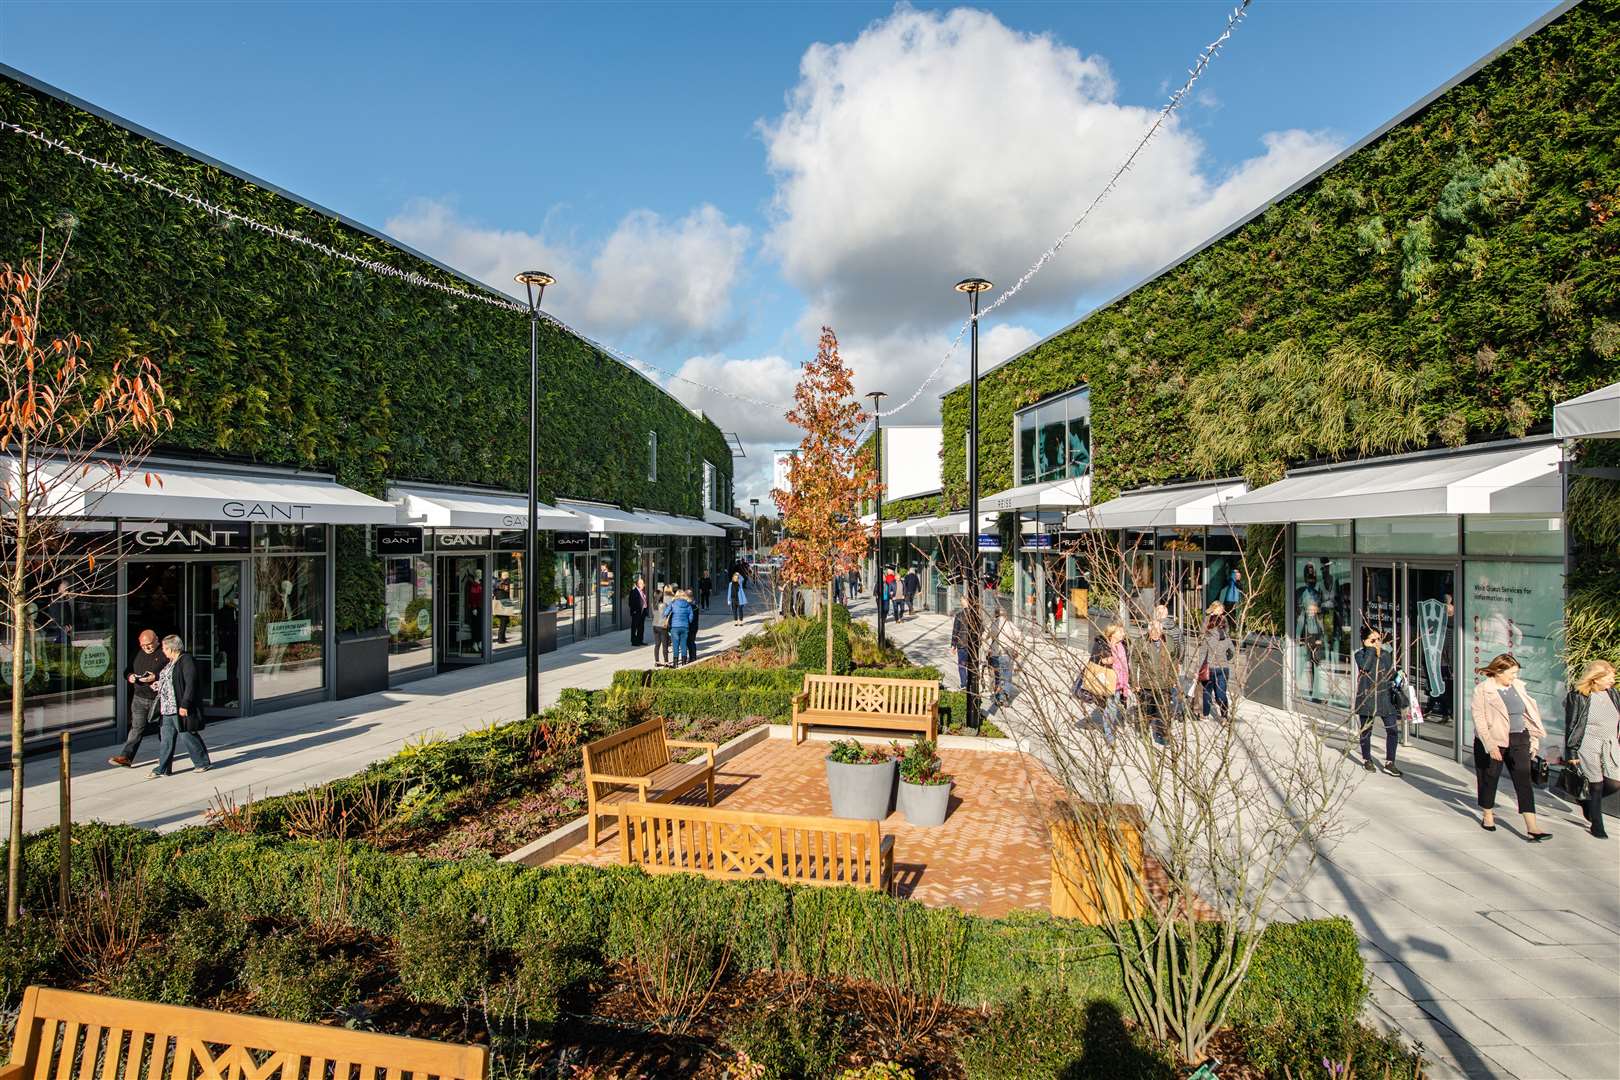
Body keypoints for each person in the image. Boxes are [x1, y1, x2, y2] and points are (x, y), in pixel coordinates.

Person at [1471, 653, 1550, 841]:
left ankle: (1532, 827)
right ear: (1499, 671)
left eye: (1516, 673)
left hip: (1519, 738)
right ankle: (1488, 814)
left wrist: (1534, 739)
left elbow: (1529, 715)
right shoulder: (1483, 690)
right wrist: (1490, 745)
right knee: (1489, 777)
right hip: (1493, 740)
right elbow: (1479, 719)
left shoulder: (1518, 687)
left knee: (1523, 779)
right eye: (1511, 673)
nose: (1514, 676)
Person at [1564, 660, 1620, 839]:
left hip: (1610, 743)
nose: (1613, 680)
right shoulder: (1579, 695)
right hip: (1588, 743)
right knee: (1596, 784)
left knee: (1614, 783)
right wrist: (1571, 752)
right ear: (1596, 678)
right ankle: (1597, 824)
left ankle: (1586, 801)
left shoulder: (1613, 694)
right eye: (1610, 676)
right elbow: (1572, 725)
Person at [151, 634, 212, 777]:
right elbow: (169, 681)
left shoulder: (186, 660)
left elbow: (191, 684)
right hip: (166, 708)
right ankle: (163, 768)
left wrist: (185, 704)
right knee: (166, 738)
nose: (163, 651)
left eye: (165, 648)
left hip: (179, 707)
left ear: (172, 648)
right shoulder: (170, 662)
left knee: (187, 735)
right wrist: (158, 684)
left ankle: (202, 763)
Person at [1352, 628, 1404, 777]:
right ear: (1365, 641)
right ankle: (1367, 759)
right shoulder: (1360, 655)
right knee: (1366, 731)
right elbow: (1365, 667)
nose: (1377, 643)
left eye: (1379, 639)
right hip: (1367, 698)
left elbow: (1391, 674)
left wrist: (1399, 675)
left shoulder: (1386, 656)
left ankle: (1390, 762)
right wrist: (1370, 649)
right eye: (1373, 640)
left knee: (1393, 730)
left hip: (1384, 698)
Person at [109, 628, 164, 767]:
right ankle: (126, 757)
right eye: (143, 645)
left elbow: (173, 672)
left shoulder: (164, 652)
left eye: (150, 644)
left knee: (164, 729)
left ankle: (165, 756)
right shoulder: (137, 653)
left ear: (157, 639)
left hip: (159, 698)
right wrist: (130, 677)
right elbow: (127, 671)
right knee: (136, 728)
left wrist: (156, 677)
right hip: (139, 696)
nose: (147, 647)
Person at [1131, 620, 1178, 744]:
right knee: (1146, 710)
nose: (1155, 633)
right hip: (1147, 683)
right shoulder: (1140, 642)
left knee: (1164, 711)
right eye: (1152, 631)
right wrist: (1134, 682)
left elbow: (1174, 660)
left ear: (1162, 630)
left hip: (1164, 683)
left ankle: (1163, 735)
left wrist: (1173, 678)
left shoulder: (1170, 641)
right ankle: (1143, 732)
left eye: (1157, 631)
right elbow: (1133, 662)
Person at [1190, 603, 1236, 721]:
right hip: (1223, 668)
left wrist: (1198, 669)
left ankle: (1205, 714)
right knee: (1221, 693)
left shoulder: (1207, 637)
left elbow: (1202, 653)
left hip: (1209, 667)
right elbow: (1232, 652)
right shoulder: (1227, 638)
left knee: (1207, 692)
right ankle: (1224, 714)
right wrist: (1226, 660)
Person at [1073, 633, 1118, 741]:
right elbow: (1093, 661)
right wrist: (1104, 661)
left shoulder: (1122, 645)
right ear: (1112, 634)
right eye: (1120, 632)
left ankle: (1108, 728)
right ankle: (1109, 735)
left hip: (1114, 681)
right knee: (1107, 705)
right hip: (1103, 679)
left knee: (1110, 706)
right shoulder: (1100, 644)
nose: (1123, 634)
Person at [951, 601, 979, 700]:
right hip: (972, 646)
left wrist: (953, 645)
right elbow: (981, 630)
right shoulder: (975, 615)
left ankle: (964, 684)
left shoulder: (959, 615)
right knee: (972, 666)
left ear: (962, 605)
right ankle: (972, 685)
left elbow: (955, 631)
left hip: (962, 645)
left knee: (962, 665)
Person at [666, 587, 695, 666]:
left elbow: (665, 613)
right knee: (683, 645)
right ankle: (683, 663)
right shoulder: (688, 605)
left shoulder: (673, 604)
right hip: (685, 627)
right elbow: (691, 617)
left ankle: (675, 664)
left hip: (674, 627)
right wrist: (688, 621)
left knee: (675, 645)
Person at [651, 586, 673, 667]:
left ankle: (657, 661)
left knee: (657, 644)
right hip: (662, 625)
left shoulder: (653, 604)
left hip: (655, 625)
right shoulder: (664, 605)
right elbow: (668, 613)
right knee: (665, 644)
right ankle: (666, 661)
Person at [627, 575, 648, 647]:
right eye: (641, 583)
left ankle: (640, 640)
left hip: (643, 612)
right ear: (638, 584)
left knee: (641, 627)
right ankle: (634, 641)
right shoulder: (634, 591)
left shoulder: (642, 592)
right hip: (636, 612)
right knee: (634, 627)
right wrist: (634, 611)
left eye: (643, 583)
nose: (643, 585)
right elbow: (631, 602)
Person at [493, 570, 513, 645]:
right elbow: (505, 588)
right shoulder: (503, 583)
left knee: (505, 621)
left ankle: (502, 638)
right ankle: (501, 639)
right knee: (504, 621)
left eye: (506, 575)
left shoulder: (499, 583)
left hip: (504, 602)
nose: (507, 576)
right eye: (505, 575)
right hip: (503, 603)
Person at [684, 588, 702, 661]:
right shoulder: (694, 605)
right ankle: (693, 656)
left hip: (690, 627)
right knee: (691, 642)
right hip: (694, 626)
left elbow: (690, 618)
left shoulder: (690, 606)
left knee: (690, 642)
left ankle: (692, 657)